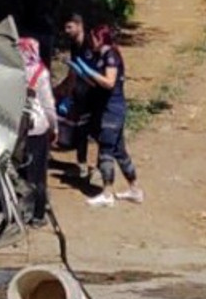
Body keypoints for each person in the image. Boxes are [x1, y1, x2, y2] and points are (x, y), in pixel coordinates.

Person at [68, 24, 143, 207]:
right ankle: (135, 190)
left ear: (100, 39)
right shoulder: (99, 56)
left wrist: (90, 71)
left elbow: (109, 82)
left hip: (113, 109)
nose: (90, 41)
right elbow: (97, 84)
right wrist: (82, 74)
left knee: (106, 149)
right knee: (119, 151)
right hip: (104, 107)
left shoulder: (111, 56)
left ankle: (107, 193)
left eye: (93, 38)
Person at [18, 37, 57, 227]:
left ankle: (20, 211)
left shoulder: (14, 70)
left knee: (21, 171)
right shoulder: (41, 73)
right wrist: (54, 127)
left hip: (18, 128)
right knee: (39, 174)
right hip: (38, 128)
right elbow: (48, 105)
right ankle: (38, 214)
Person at [53, 13, 94, 179]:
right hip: (79, 91)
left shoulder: (90, 43)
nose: (66, 31)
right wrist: (65, 89)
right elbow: (73, 69)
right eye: (65, 28)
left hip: (92, 91)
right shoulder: (74, 44)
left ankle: (98, 167)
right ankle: (81, 164)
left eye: (69, 27)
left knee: (94, 129)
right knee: (80, 129)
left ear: (79, 25)